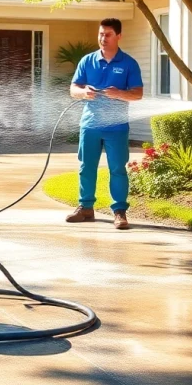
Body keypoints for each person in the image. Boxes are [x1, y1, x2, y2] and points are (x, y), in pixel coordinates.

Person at [65, 18, 143, 230]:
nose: (103, 38)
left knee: (117, 169)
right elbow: (74, 89)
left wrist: (119, 93)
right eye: (100, 34)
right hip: (90, 125)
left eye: (107, 34)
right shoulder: (87, 61)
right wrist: (83, 92)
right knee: (86, 167)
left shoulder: (129, 63)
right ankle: (85, 208)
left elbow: (138, 94)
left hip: (116, 127)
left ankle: (119, 212)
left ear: (119, 36)